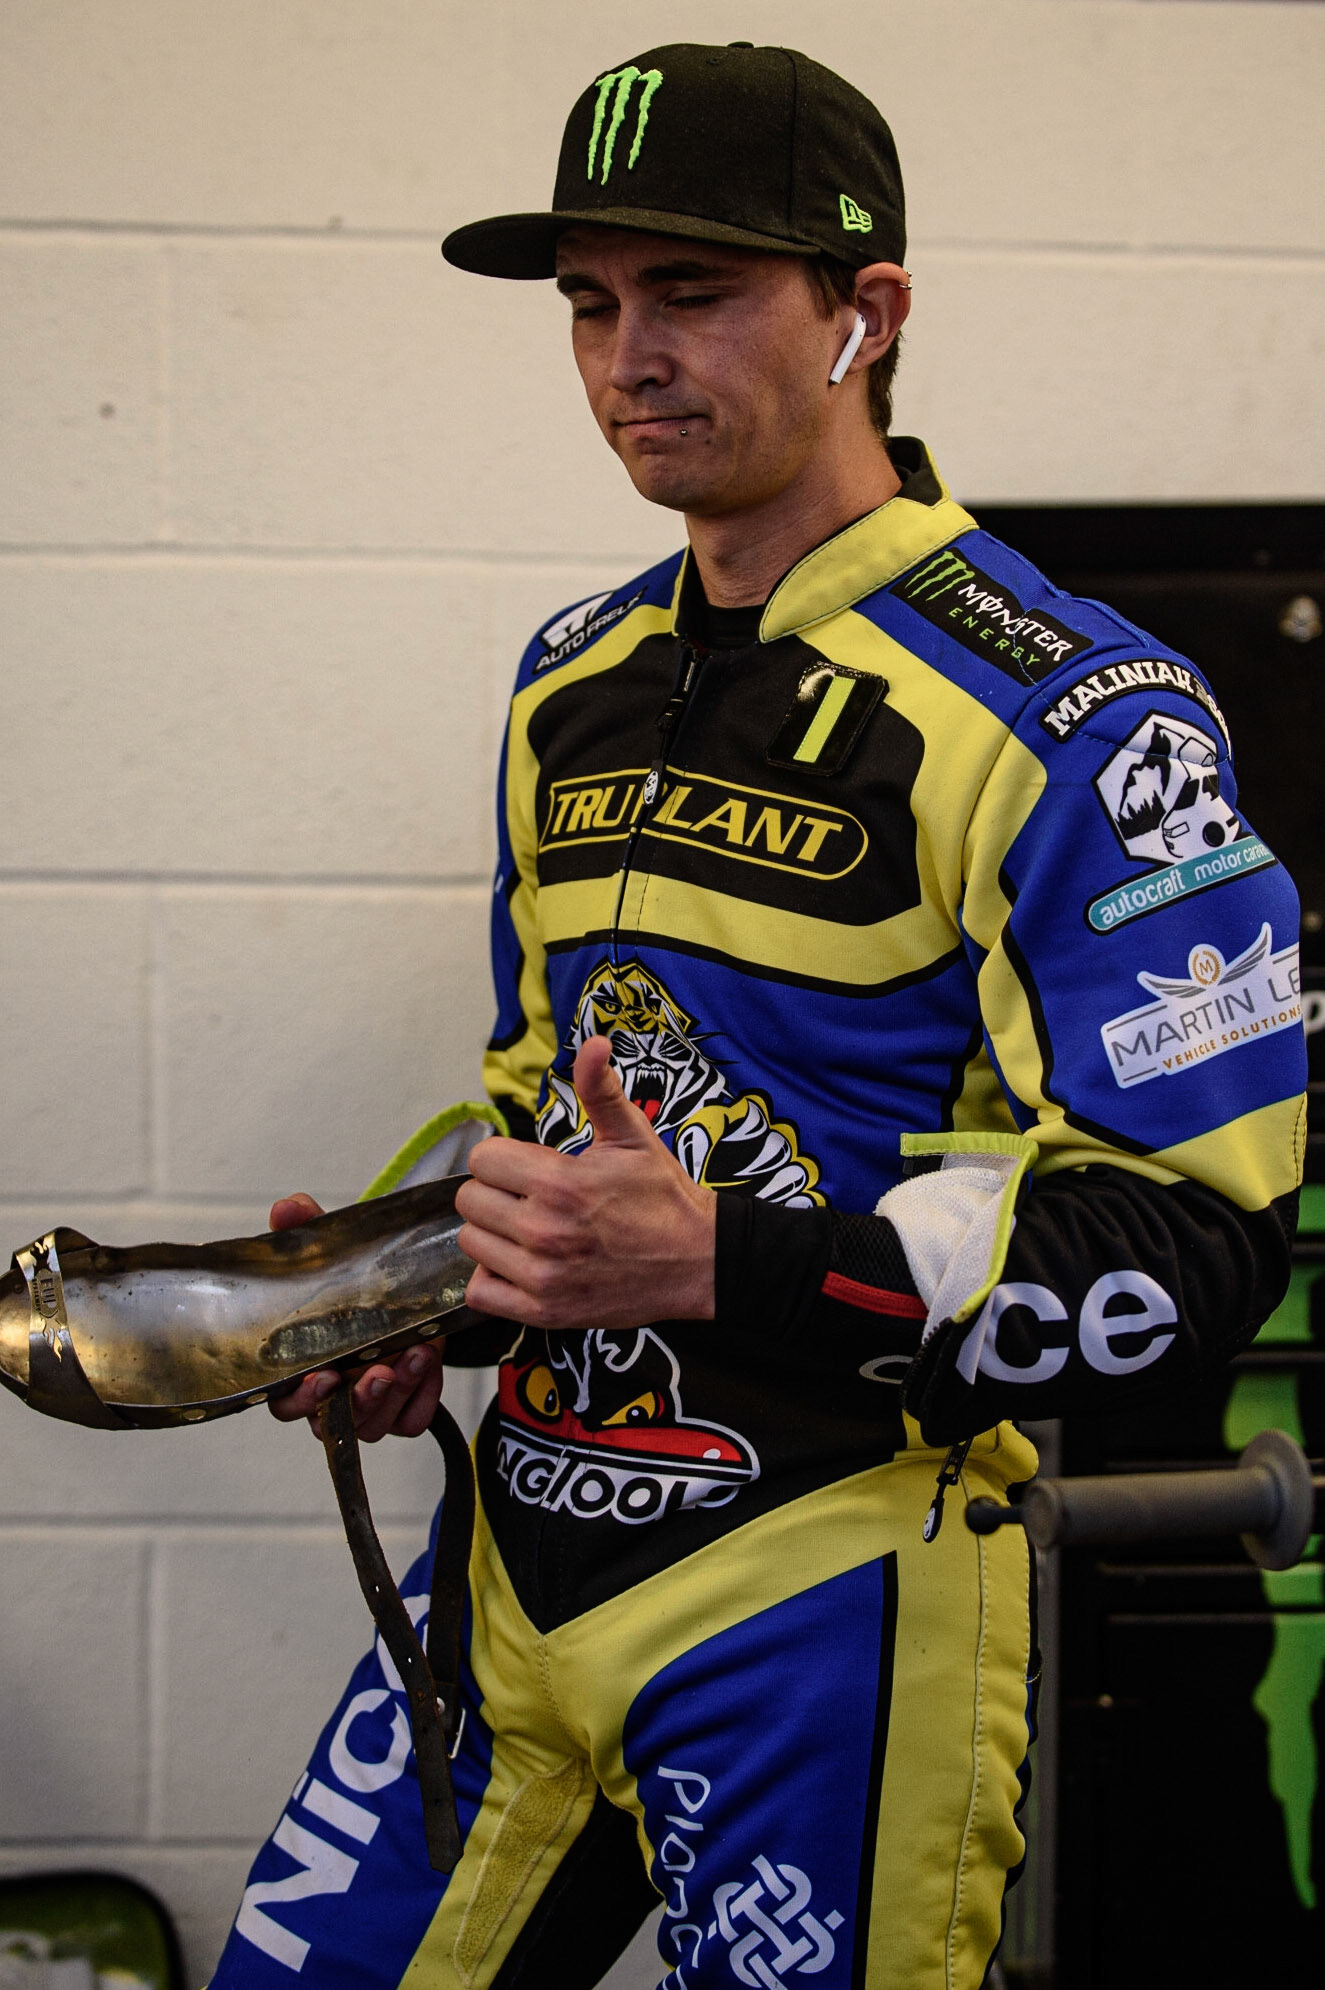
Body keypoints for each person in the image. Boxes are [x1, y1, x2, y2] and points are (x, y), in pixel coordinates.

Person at [209, 41, 1306, 1990]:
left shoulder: (1089, 714)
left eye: (695, 292)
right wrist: (410, 1295)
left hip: (832, 1598)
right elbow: (545, 1117)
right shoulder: (572, 681)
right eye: (591, 302)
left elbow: (1190, 1245)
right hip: (516, 1570)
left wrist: (733, 1259)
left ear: (865, 314)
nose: (630, 353)